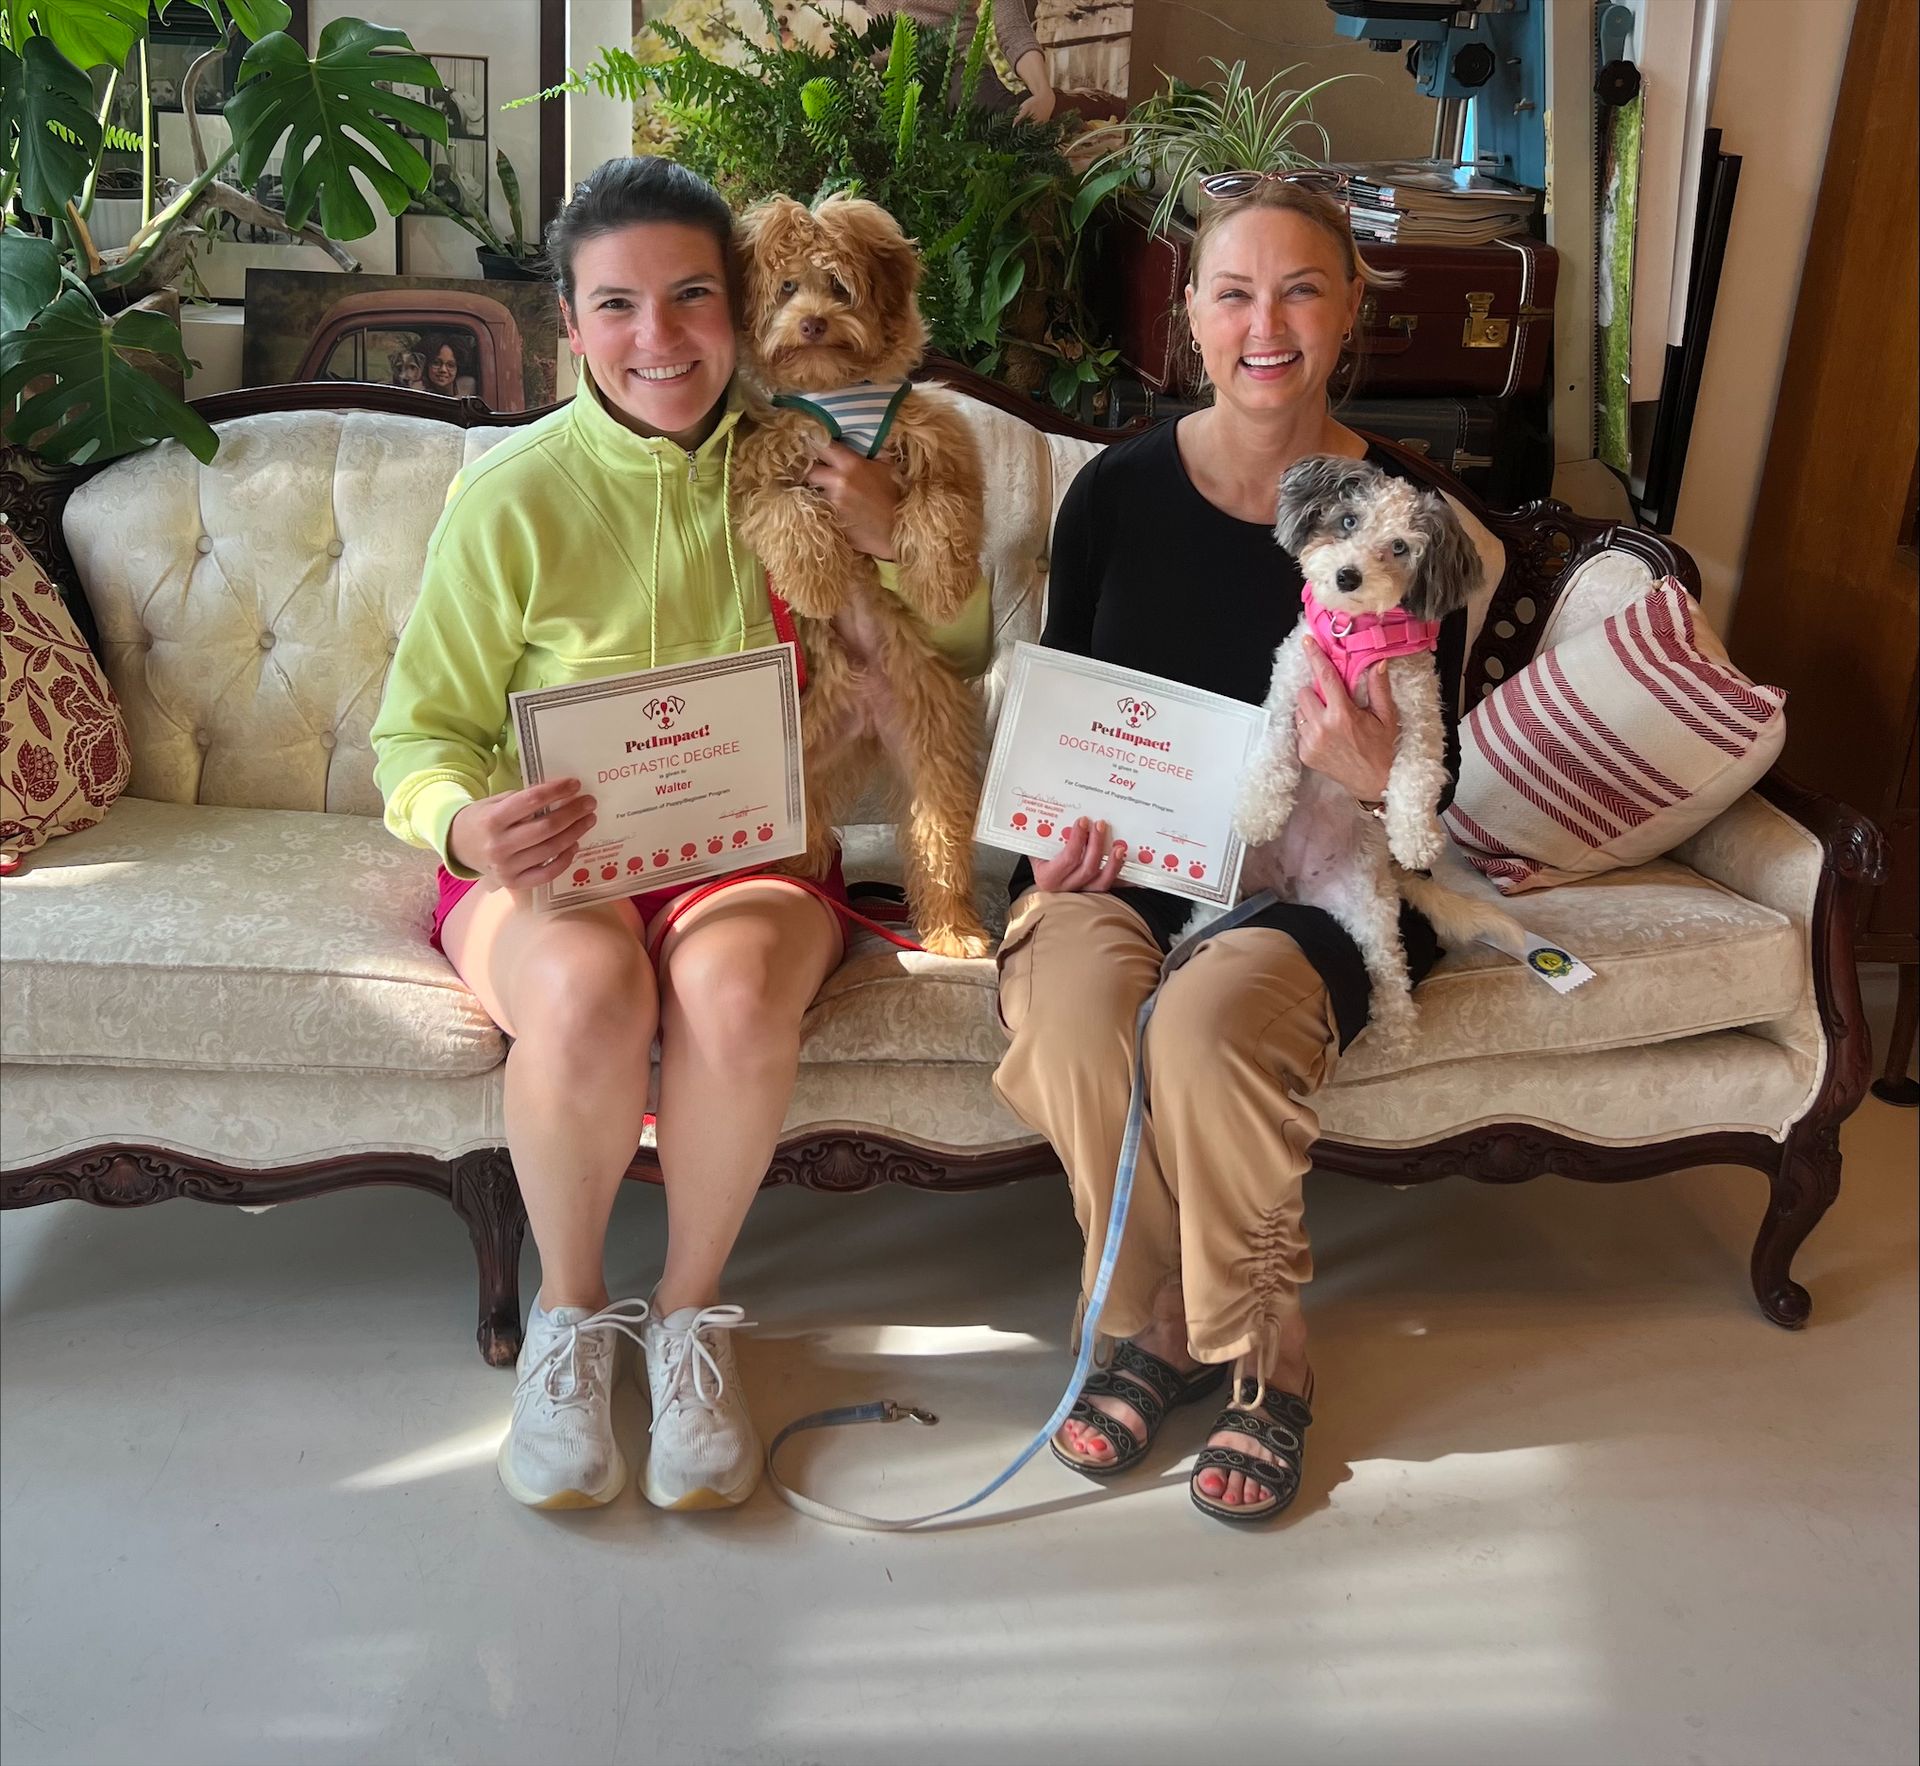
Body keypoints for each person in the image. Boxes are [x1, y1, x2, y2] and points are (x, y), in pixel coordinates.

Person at [370, 157, 916, 1514]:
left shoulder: (804, 463)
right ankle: (568, 1316)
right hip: (558, 863)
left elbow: (949, 653)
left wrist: (894, 534)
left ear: (738, 310)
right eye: (617, 305)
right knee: (587, 984)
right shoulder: (513, 495)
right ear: (569, 321)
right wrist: (467, 821)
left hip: (751, 854)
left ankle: (686, 1319)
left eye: (691, 298)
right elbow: (415, 741)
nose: (658, 338)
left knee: (729, 992)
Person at [992, 175, 1484, 1525]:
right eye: (1233, 290)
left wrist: (1372, 769)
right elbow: (1064, 709)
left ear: (1348, 312)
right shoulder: (1114, 494)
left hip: (1317, 878)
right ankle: (1156, 1318)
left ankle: (1266, 1350)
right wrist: (1045, 847)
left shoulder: (1407, 518)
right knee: (1085, 1016)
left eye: (1301, 287)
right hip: (1120, 872)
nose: (1266, 321)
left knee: (1202, 1029)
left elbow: (1448, 782)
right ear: (1190, 318)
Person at [868, 0, 1056, 121]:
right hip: (881, 72)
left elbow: (1013, 29)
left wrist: (1044, 94)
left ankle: (1065, 108)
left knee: (1000, 121)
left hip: (955, 65)